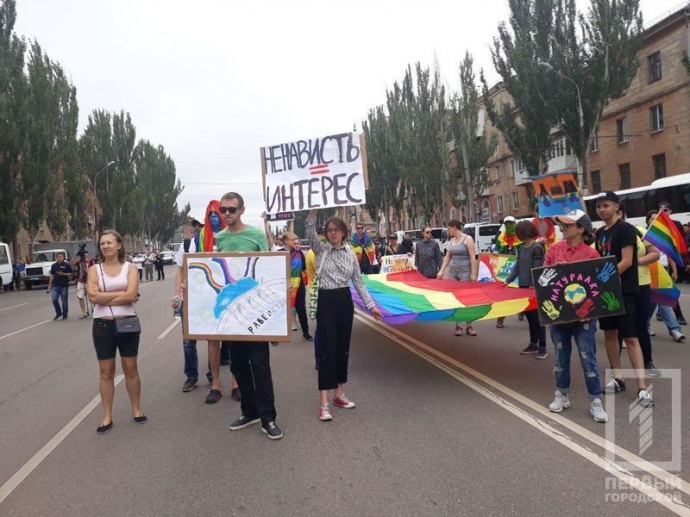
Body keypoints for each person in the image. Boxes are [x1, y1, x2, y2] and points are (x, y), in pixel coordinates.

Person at [306, 209, 382, 422]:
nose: (332, 233)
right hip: (326, 301)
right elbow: (310, 232)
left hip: (344, 302)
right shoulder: (321, 250)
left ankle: (339, 394)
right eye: (329, 230)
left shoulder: (350, 255)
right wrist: (312, 213)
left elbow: (358, 282)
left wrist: (371, 306)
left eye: (336, 230)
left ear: (344, 233)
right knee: (327, 351)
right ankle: (324, 403)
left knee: (342, 349)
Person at [217, 192, 283, 440]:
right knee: (238, 366)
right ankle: (249, 411)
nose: (227, 213)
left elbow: (270, 267)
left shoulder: (256, 235)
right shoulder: (220, 238)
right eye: (223, 209)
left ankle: (268, 417)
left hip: (256, 312)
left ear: (242, 210)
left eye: (231, 209)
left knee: (260, 366)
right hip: (232, 315)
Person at [544, 210, 608, 423]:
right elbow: (543, 281)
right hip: (559, 316)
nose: (562, 229)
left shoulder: (592, 254)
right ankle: (561, 394)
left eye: (567, 225)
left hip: (584, 319)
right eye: (561, 225)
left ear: (581, 229)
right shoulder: (554, 249)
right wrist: (555, 272)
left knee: (588, 358)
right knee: (560, 358)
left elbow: (598, 286)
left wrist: (592, 312)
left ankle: (595, 400)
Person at [594, 191, 654, 408]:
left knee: (631, 338)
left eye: (606, 205)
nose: (602, 210)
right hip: (607, 292)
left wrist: (604, 278)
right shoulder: (600, 233)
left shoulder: (625, 229)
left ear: (616, 207)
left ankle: (642, 388)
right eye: (599, 206)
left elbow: (627, 261)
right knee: (610, 335)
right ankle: (618, 378)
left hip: (624, 290)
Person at [87, 230, 146, 434]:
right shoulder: (94, 270)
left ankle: (136, 409)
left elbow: (132, 294)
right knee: (106, 371)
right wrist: (123, 294)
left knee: (130, 368)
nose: (105, 246)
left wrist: (106, 296)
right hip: (102, 326)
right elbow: (93, 297)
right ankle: (107, 416)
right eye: (102, 243)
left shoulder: (130, 268)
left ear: (119, 245)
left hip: (127, 323)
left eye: (109, 242)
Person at [196, 199, 235, 403]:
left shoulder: (232, 233)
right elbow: (195, 264)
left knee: (235, 338)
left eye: (216, 213)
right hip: (211, 291)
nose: (213, 217)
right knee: (212, 340)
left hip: (232, 289)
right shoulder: (201, 236)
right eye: (209, 214)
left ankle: (236, 383)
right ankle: (215, 384)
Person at [503, 221, 547, 359]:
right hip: (523, 287)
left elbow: (537, 269)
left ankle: (543, 347)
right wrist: (508, 280)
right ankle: (533, 344)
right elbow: (517, 267)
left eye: (518, 232)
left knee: (537, 319)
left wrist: (532, 285)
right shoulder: (522, 248)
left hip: (532, 288)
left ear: (523, 233)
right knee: (530, 318)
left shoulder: (537, 248)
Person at [437, 220, 478, 336]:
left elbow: (473, 257)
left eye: (449, 229)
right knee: (455, 299)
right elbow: (447, 257)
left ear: (455, 228)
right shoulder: (451, 241)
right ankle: (458, 326)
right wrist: (441, 270)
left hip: (465, 272)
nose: (448, 231)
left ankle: (469, 325)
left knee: (466, 299)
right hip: (452, 273)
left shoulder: (467, 239)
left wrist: (473, 273)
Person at [281, 231, 312, 341]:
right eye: (292, 239)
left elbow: (303, 268)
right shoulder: (279, 253)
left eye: (296, 239)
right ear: (285, 241)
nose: (295, 241)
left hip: (298, 285)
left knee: (301, 309)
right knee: (280, 311)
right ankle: (277, 336)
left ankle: (306, 333)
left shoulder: (299, 253)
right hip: (283, 286)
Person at [493, 216, 522, 329]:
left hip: (518, 269)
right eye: (507, 224)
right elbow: (496, 248)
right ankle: (500, 319)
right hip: (504, 269)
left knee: (521, 293)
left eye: (511, 223)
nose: (509, 226)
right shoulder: (500, 237)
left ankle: (523, 310)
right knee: (502, 296)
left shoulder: (521, 237)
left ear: (515, 224)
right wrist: (496, 252)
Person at [305, 225, 326, 368]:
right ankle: (321, 360)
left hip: (315, 292)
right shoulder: (316, 253)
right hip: (321, 293)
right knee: (323, 329)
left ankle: (320, 359)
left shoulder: (311, 252)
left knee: (321, 328)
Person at [47, 252, 73, 321]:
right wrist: (49, 285)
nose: (59, 258)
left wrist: (63, 274)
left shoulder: (66, 265)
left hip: (64, 285)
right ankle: (58, 312)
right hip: (55, 285)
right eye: (58, 257)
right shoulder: (53, 266)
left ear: (63, 257)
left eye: (61, 257)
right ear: (56, 258)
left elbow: (70, 274)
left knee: (64, 300)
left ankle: (65, 315)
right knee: (54, 299)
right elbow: (52, 275)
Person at [74, 250, 95, 319]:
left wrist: (89, 271)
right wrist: (75, 256)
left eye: (86, 254)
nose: (85, 256)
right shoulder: (79, 262)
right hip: (81, 280)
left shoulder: (91, 261)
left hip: (89, 281)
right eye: (83, 255)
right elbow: (72, 263)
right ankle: (84, 312)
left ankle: (96, 310)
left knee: (92, 297)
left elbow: (95, 270)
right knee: (80, 297)